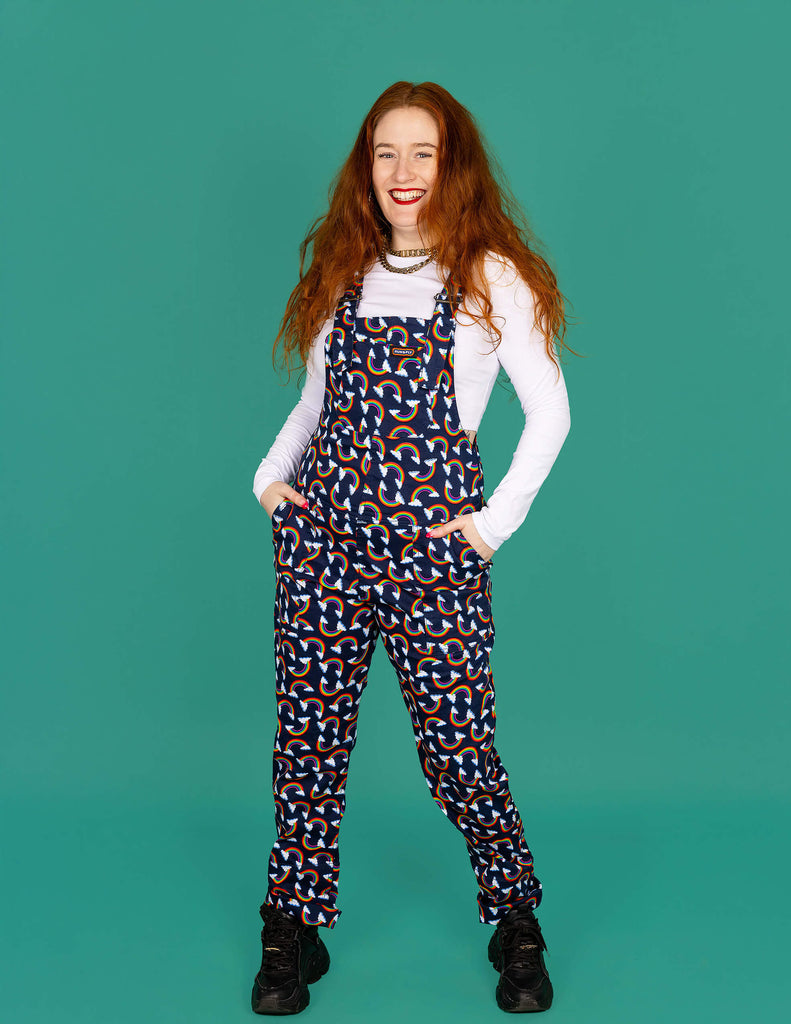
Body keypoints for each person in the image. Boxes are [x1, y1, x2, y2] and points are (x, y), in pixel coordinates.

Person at [249, 81, 573, 1015]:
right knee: (307, 742)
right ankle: (290, 926)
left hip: (435, 555)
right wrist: (270, 486)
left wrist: (488, 526)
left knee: (458, 748)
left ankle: (515, 919)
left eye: (422, 153)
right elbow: (315, 409)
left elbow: (549, 416)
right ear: (366, 166)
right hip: (325, 551)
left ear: (451, 164)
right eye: (386, 153)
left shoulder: (490, 279)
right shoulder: (340, 275)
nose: (403, 172)